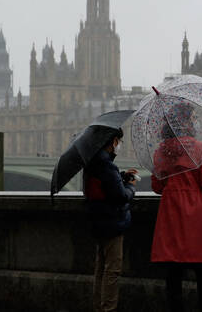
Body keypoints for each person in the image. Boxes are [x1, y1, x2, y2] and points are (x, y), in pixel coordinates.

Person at [150, 107, 202, 312]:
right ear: (187, 123)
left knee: (173, 272)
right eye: (192, 119)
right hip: (195, 213)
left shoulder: (159, 152)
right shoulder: (200, 149)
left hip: (170, 213)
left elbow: (157, 187)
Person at [83, 128, 138, 312]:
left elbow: (106, 185)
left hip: (97, 222)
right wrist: (130, 187)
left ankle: (99, 307)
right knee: (112, 271)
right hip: (111, 223)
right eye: (119, 141)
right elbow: (121, 196)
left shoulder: (92, 161)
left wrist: (121, 176)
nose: (119, 145)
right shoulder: (106, 165)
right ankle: (108, 308)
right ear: (114, 141)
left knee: (100, 270)